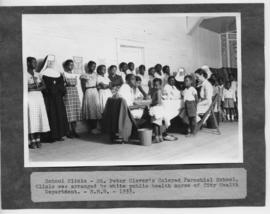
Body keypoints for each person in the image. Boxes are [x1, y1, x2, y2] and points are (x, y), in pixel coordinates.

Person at [40, 56, 69, 142]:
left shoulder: (58, 74)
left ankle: (59, 135)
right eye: (49, 61)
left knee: (59, 115)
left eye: (52, 62)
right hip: (49, 99)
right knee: (50, 115)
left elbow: (62, 86)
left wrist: (57, 90)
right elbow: (44, 87)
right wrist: (52, 90)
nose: (51, 63)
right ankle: (50, 137)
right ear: (46, 62)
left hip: (58, 98)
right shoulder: (43, 74)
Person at [27, 57, 50, 149]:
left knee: (39, 117)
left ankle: (38, 139)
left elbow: (44, 86)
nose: (35, 64)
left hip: (38, 97)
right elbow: (25, 87)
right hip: (30, 97)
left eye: (36, 62)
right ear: (28, 63)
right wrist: (35, 86)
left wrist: (33, 87)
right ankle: (32, 140)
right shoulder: (24, 74)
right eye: (33, 62)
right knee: (31, 117)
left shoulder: (38, 74)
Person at [62, 59, 82, 138]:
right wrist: (67, 84)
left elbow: (75, 84)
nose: (71, 66)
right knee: (69, 113)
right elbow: (64, 84)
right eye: (70, 65)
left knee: (75, 112)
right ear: (66, 66)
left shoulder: (74, 75)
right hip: (67, 93)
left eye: (72, 65)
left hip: (74, 94)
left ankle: (74, 130)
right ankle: (68, 131)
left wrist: (70, 84)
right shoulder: (63, 74)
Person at [80, 61, 101, 134]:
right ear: (88, 67)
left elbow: (98, 83)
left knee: (96, 109)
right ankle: (92, 128)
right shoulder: (84, 75)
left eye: (95, 66)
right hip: (88, 92)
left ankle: (95, 127)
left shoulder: (96, 74)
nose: (94, 68)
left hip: (95, 91)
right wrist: (85, 93)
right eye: (92, 66)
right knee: (90, 110)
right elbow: (83, 86)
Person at [149, 78, 166, 143]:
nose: (155, 87)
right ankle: (160, 137)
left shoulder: (158, 91)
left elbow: (158, 101)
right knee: (159, 124)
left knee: (155, 124)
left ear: (160, 85)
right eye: (154, 85)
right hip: (159, 109)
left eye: (157, 85)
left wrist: (151, 103)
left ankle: (156, 137)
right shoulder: (156, 91)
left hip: (157, 108)